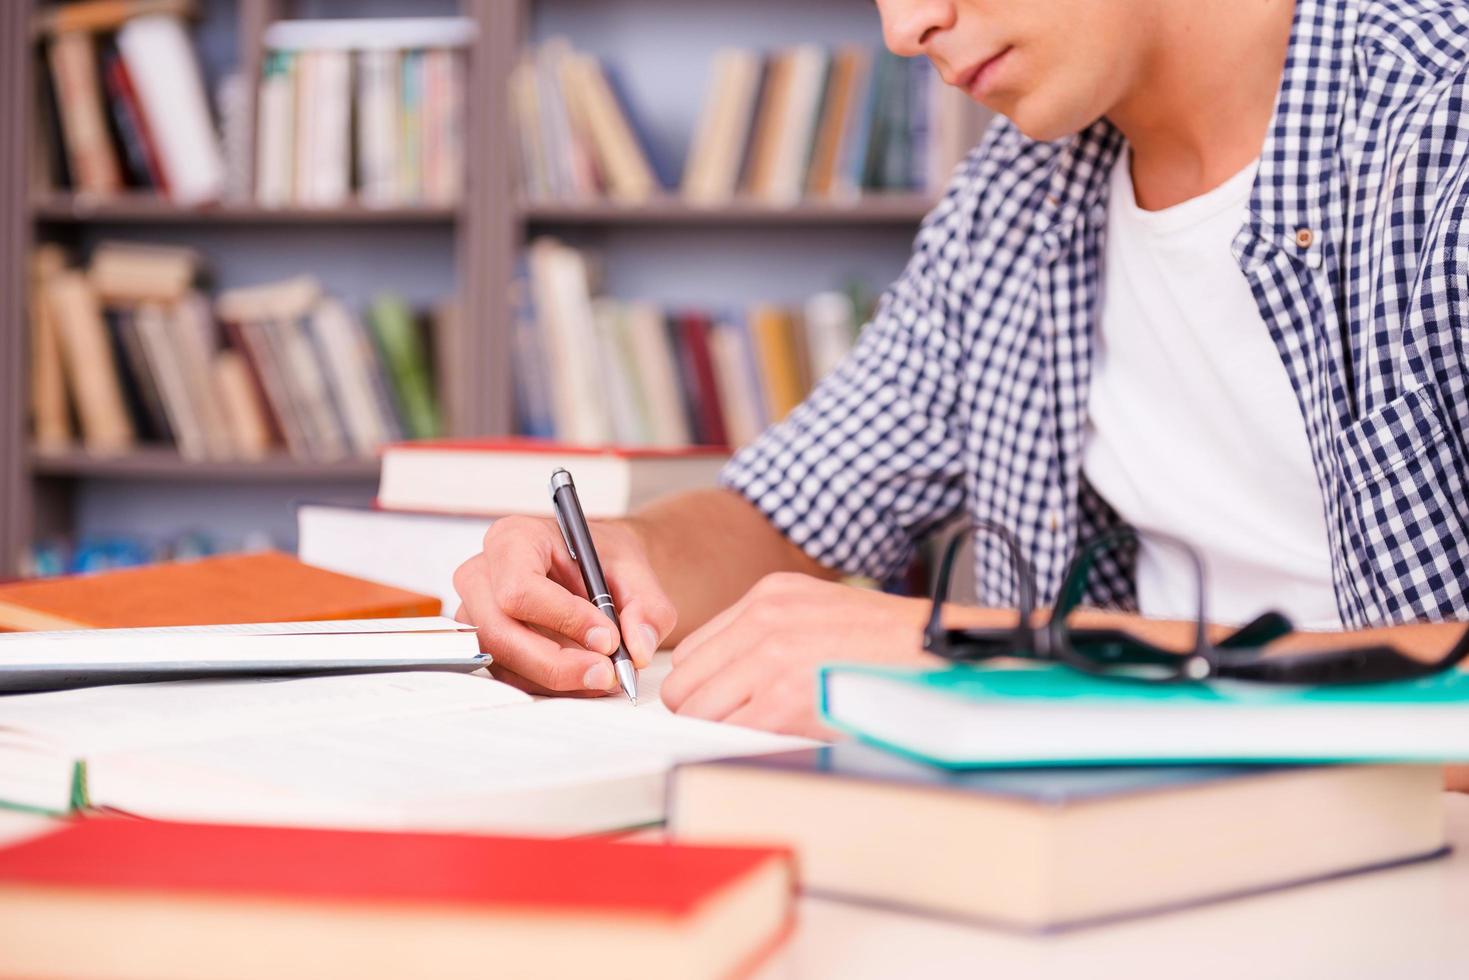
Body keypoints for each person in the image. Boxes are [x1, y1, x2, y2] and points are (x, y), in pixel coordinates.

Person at [453, 0, 1469, 755]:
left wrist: (993, 657)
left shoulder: (1441, 128)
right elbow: (783, 509)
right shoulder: (1011, 200)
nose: (904, 26)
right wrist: (624, 557)